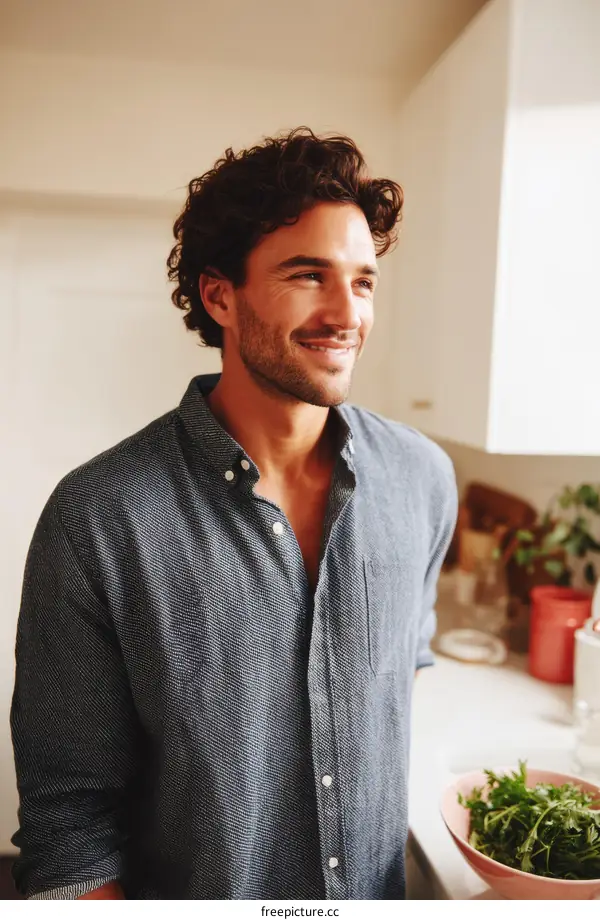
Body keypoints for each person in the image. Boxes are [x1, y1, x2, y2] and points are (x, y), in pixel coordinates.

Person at [10, 127, 458, 900]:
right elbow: (70, 832)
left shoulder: (424, 480)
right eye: (307, 275)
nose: (345, 311)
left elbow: (396, 691)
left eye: (363, 280)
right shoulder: (99, 520)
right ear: (220, 295)